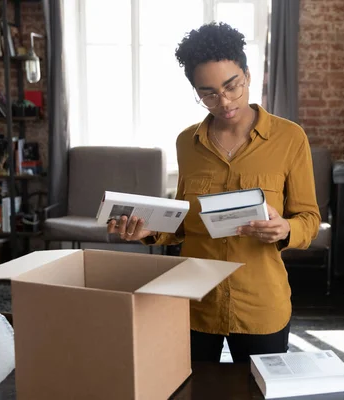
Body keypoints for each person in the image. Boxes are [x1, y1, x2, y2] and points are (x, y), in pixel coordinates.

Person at [107, 22, 321, 363]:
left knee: (257, 391)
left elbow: (310, 218)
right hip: (195, 304)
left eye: (232, 86)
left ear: (248, 75)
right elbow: (183, 221)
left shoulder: (290, 138)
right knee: (190, 390)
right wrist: (149, 230)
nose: (223, 101)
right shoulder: (186, 142)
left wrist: (286, 229)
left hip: (260, 306)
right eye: (207, 93)